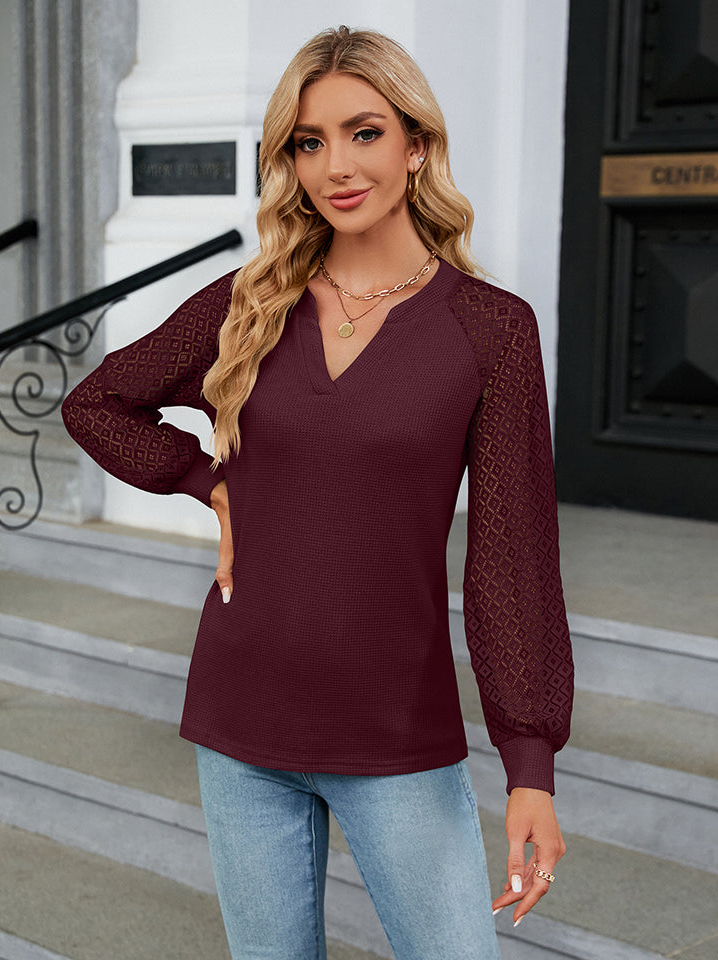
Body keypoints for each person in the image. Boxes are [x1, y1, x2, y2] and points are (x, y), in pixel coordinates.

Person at [62, 25, 574, 960]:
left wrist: (529, 764)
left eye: (364, 132)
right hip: (241, 718)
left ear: (416, 145)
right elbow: (96, 404)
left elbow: (514, 563)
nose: (336, 165)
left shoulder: (490, 329)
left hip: (394, 732)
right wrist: (208, 482)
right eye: (308, 142)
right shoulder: (248, 303)